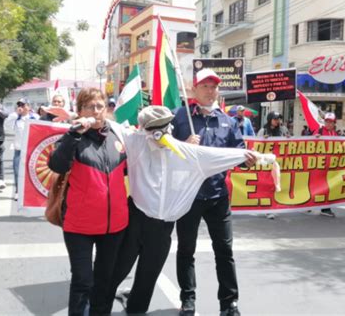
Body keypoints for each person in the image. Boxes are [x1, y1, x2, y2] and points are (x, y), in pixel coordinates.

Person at [109, 105, 265, 314]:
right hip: (135, 218)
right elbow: (109, 125)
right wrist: (83, 120)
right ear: (143, 130)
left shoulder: (187, 153)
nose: (160, 135)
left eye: (164, 128)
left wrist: (247, 156)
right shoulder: (135, 142)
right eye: (153, 129)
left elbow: (221, 155)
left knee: (148, 275)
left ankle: (136, 308)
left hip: (163, 227)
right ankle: (95, 306)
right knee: (116, 269)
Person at [171, 68, 258, 316]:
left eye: (214, 87)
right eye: (205, 86)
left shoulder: (228, 121)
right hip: (188, 195)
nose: (210, 91)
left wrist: (247, 160)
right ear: (194, 89)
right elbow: (163, 153)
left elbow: (238, 153)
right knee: (186, 250)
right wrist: (182, 146)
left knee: (225, 250)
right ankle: (188, 299)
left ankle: (229, 303)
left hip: (218, 196)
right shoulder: (180, 117)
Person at [48, 88, 128, 316]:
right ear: (80, 110)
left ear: (106, 109)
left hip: (114, 226)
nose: (96, 111)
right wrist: (73, 135)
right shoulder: (73, 137)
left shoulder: (117, 136)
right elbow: (57, 165)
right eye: (90, 106)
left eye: (100, 106)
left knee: (104, 282)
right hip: (79, 225)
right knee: (83, 281)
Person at [4, 98, 39, 200]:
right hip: (19, 151)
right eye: (19, 105)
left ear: (29, 106)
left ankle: (31, 192)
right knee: (17, 171)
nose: (21, 107)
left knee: (32, 172)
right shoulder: (16, 119)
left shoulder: (35, 117)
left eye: (23, 105)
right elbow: (6, 125)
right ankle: (18, 191)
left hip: (32, 151)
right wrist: (15, 113)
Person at [313, 112, 338, 217]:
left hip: (331, 165)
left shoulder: (336, 133)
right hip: (319, 165)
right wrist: (315, 138)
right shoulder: (318, 131)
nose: (328, 124)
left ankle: (325, 208)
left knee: (328, 187)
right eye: (326, 121)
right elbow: (307, 144)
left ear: (334, 123)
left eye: (330, 122)